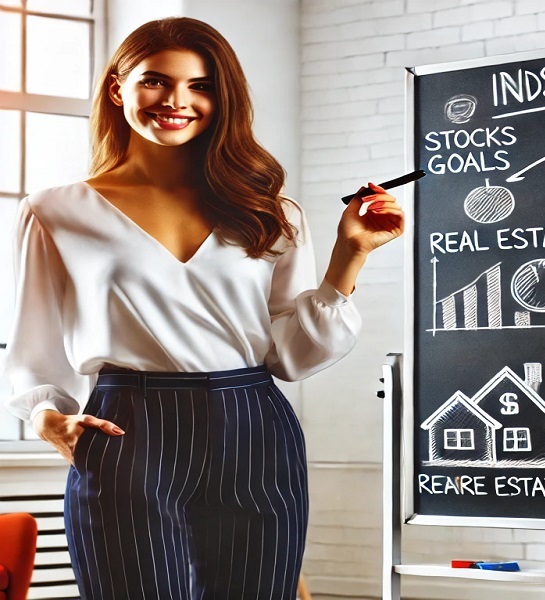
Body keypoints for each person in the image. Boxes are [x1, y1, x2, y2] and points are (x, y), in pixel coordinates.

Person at [3, 16, 403, 600]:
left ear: (223, 97)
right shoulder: (55, 212)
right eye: (155, 81)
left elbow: (290, 355)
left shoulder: (271, 211)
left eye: (201, 86)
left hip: (254, 428)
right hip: (127, 430)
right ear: (118, 88)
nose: (177, 101)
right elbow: (32, 349)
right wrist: (47, 418)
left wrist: (350, 254)